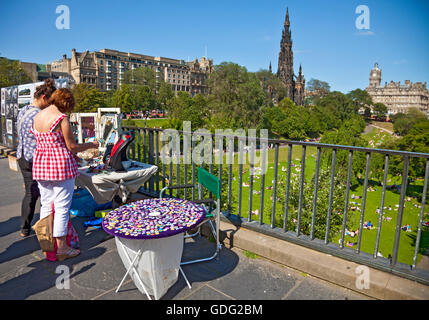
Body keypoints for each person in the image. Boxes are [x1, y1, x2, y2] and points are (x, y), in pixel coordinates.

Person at [32, 88, 98, 261]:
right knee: (62, 206)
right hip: (60, 166)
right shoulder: (61, 118)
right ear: (67, 103)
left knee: (46, 205)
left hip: (41, 164)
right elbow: (72, 146)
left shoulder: (38, 116)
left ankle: (48, 245)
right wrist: (91, 145)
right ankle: (62, 247)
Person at [16, 79, 57, 237]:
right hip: (34, 159)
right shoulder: (38, 115)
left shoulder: (24, 110)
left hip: (22, 155)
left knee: (31, 192)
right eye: (50, 103)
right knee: (42, 193)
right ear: (44, 98)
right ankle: (46, 227)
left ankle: (25, 227)